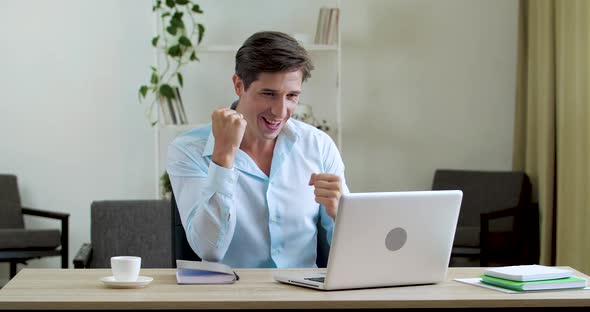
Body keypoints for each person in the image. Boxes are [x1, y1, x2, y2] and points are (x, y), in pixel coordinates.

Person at [167, 31, 349, 268]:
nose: (281, 111)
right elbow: (209, 250)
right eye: (268, 94)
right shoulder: (189, 150)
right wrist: (223, 158)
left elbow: (349, 258)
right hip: (232, 299)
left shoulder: (318, 146)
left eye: (292, 96)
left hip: (305, 299)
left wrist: (340, 215)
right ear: (239, 85)